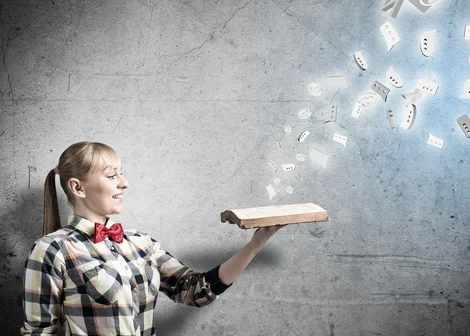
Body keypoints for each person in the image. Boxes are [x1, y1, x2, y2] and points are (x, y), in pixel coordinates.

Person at [21, 141, 284, 335]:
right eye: (112, 176)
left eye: (122, 174)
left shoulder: (141, 243)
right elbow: (40, 332)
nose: (124, 183)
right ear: (78, 187)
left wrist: (257, 242)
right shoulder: (51, 250)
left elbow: (195, 290)